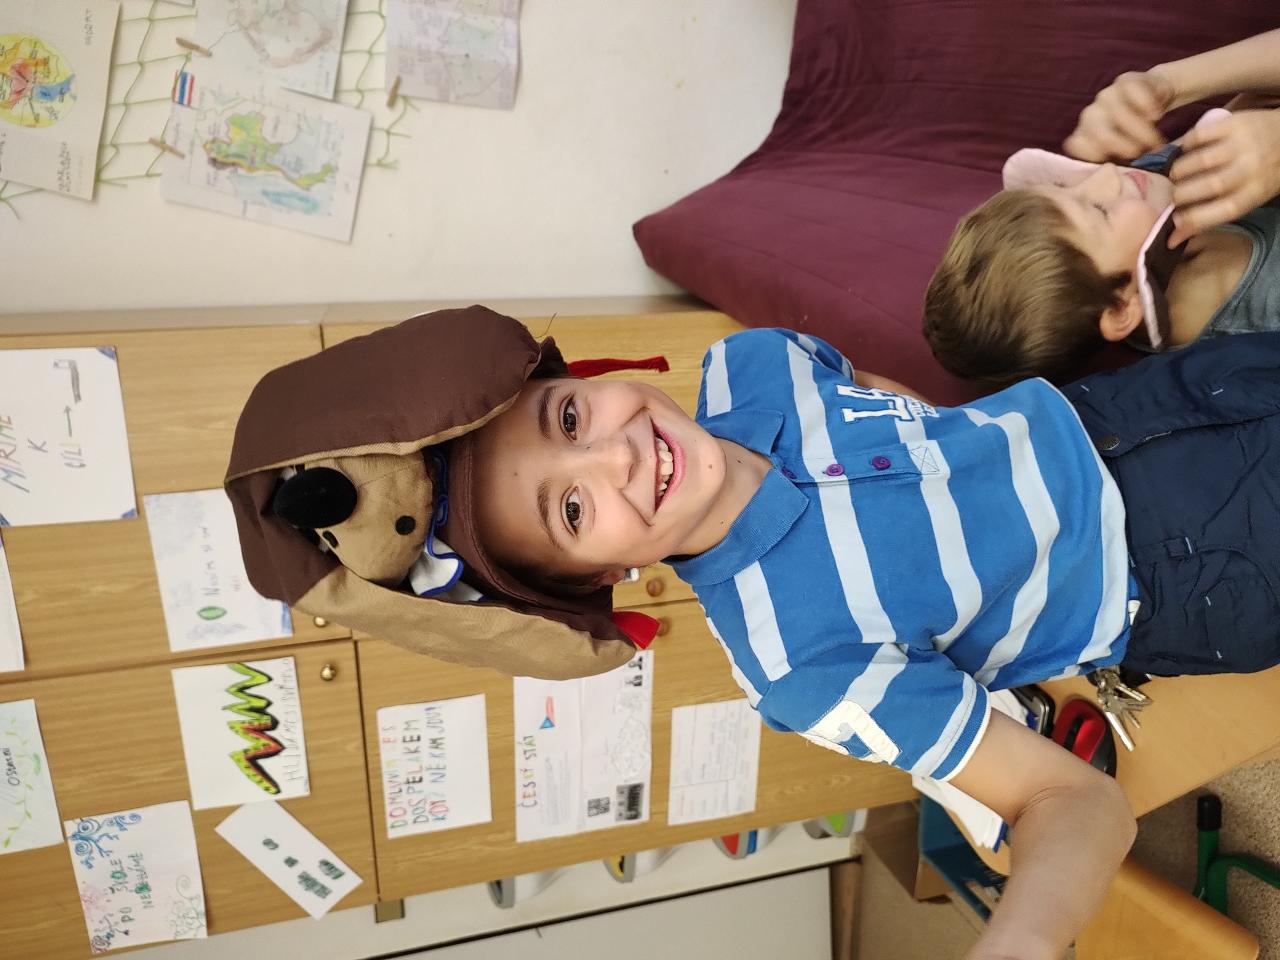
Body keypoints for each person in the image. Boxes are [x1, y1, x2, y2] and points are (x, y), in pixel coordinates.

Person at [462, 319, 1280, 960]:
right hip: (1187, 568)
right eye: (572, 510)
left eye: (569, 417)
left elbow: (880, 396)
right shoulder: (800, 668)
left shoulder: (748, 362)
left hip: (1140, 404)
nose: (614, 457)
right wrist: (1019, 942)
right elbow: (1069, 800)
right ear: (600, 579)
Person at [923, 29, 1280, 388]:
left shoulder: (1153, 193)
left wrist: (1168, 83)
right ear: (1122, 310)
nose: (1106, 173)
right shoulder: (1265, 317)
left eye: (1065, 185)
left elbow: (1265, 95)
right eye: (1099, 210)